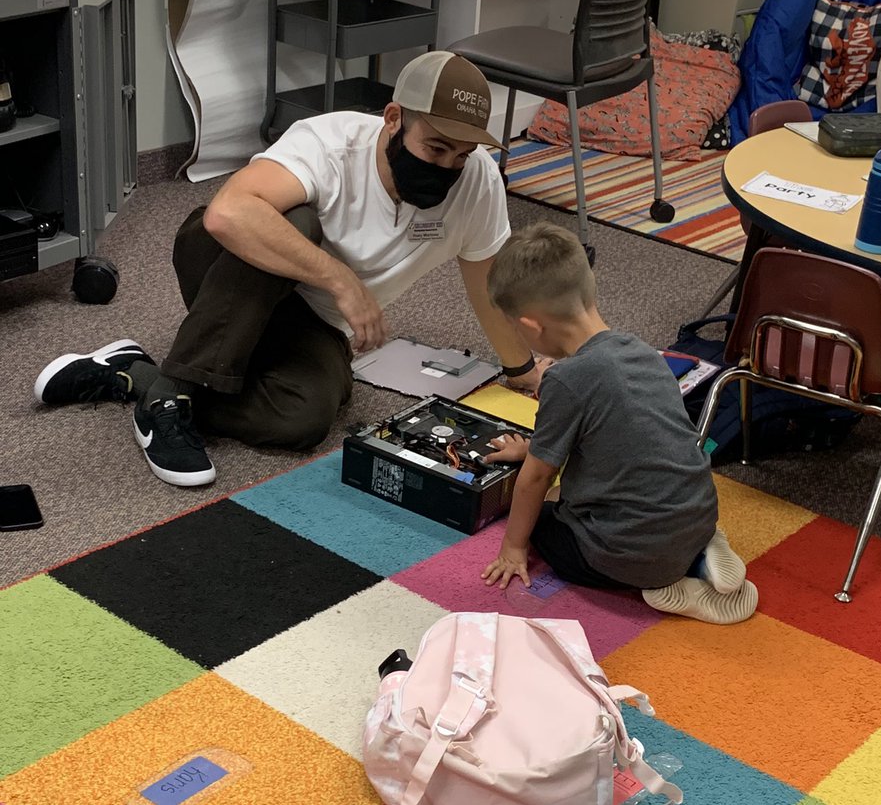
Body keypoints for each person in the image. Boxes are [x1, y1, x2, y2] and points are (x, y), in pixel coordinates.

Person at [33, 52, 545, 487]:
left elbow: (487, 284)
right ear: (393, 118)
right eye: (435, 147)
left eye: (463, 153)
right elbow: (228, 213)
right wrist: (340, 279)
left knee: (305, 418)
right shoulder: (330, 142)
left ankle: (139, 377)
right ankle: (168, 405)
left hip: (315, 322)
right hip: (227, 267)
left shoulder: (476, 183)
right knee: (288, 219)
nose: (448, 166)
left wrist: (522, 371)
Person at [480, 222, 758, 625]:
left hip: (624, 555)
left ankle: (667, 584)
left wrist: (512, 548)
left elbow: (537, 479)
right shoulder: (644, 352)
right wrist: (531, 444)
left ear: (529, 326)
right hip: (697, 517)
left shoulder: (565, 379)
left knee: (538, 515)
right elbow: (627, 433)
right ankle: (701, 552)